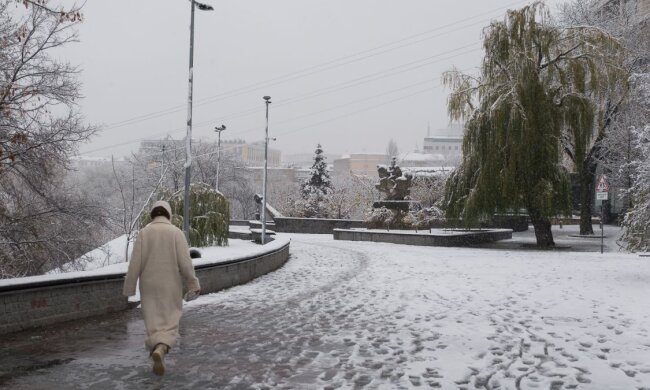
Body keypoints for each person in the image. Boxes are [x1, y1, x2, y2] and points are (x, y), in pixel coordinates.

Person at [123, 200, 201, 376]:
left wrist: (129, 288)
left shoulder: (144, 233)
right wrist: (193, 283)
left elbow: (134, 264)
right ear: (168, 214)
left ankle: (156, 350)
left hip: (148, 285)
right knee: (170, 321)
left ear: (153, 214)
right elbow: (185, 263)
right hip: (170, 284)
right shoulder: (176, 233)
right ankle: (161, 349)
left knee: (153, 322)